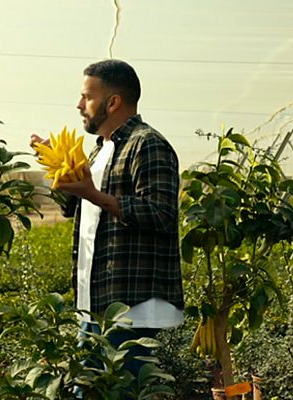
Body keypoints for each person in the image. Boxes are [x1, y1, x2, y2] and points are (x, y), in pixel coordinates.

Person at [31, 59, 184, 380]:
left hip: (132, 306)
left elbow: (162, 214)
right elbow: (75, 208)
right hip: (94, 298)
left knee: (120, 388)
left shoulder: (147, 144)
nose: (79, 104)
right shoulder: (99, 151)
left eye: (87, 96)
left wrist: (93, 194)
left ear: (113, 102)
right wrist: (57, 162)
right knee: (88, 387)